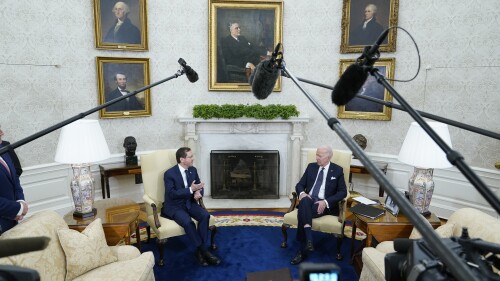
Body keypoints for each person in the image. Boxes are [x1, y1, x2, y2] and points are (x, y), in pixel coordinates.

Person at [161, 147, 220, 266]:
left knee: (204, 216)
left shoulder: (193, 170)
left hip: (189, 202)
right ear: (182, 159)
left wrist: (198, 193)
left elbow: (199, 186)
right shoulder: (169, 174)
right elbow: (171, 194)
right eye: (190, 156)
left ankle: (199, 251)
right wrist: (190, 190)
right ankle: (205, 251)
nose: (193, 158)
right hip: (174, 206)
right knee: (188, 223)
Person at [290, 145, 347, 265]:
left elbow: (343, 192)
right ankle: (309, 239)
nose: (316, 158)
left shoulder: (337, 170)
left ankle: (302, 251)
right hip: (308, 200)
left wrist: (325, 202)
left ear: (329, 157)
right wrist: (302, 193)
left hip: (323, 204)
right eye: (316, 154)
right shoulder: (311, 167)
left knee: (303, 211)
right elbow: (299, 185)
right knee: (305, 200)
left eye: (319, 156)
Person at [0, 125, 28, 235]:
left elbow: (15, 176)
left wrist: (21, 201)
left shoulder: (4, 149)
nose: (1, 132)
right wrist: (18, 208)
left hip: (11, 220)